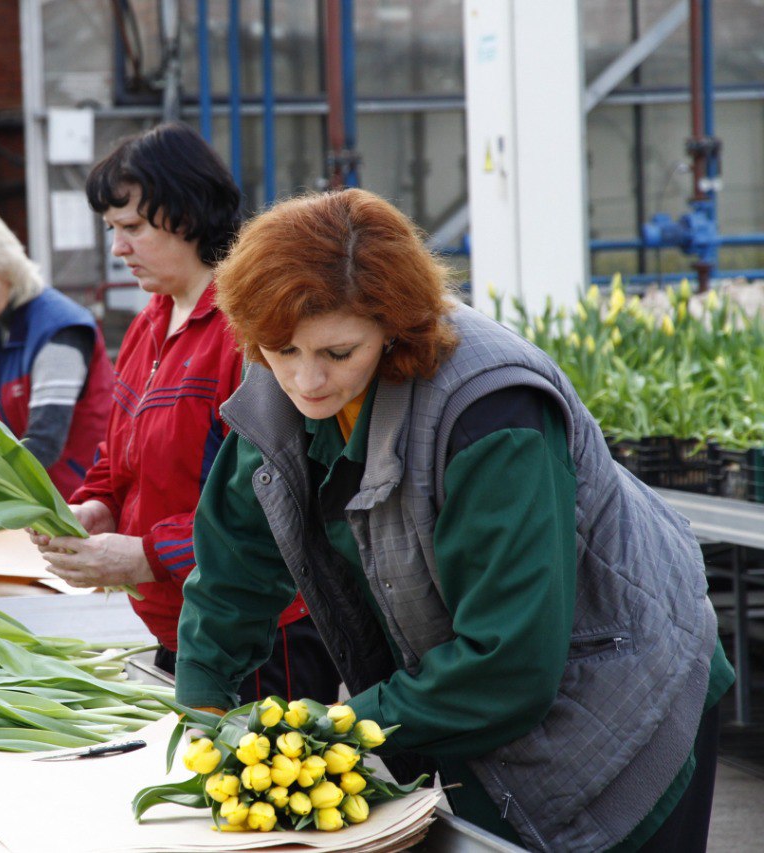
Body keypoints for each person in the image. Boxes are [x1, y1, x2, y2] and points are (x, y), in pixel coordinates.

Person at [175, 188, 733, 851]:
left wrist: (337, 726)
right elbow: (234, 560)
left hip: (624, 691)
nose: (306, 379)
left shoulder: (494, 417)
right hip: (478, 699)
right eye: (280, 349)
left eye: (338, 352)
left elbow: (507, 661)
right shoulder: (282, 377)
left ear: (394, 324)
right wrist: (204, 710)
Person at [30, 122, 340, 704]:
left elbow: (276, 496)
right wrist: (93, 509)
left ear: (188, 214)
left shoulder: (248, 332)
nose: (118, 248)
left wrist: (148, 555)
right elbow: (118, 451)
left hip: (259, 638)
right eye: (112, 231)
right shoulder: (151, 322)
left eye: (132, 228)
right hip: (181, 624)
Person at [0, 210, 113, 498]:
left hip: (78, 501)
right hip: (28, 498)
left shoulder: (59, 330)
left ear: (8, 268)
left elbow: (43, 443)